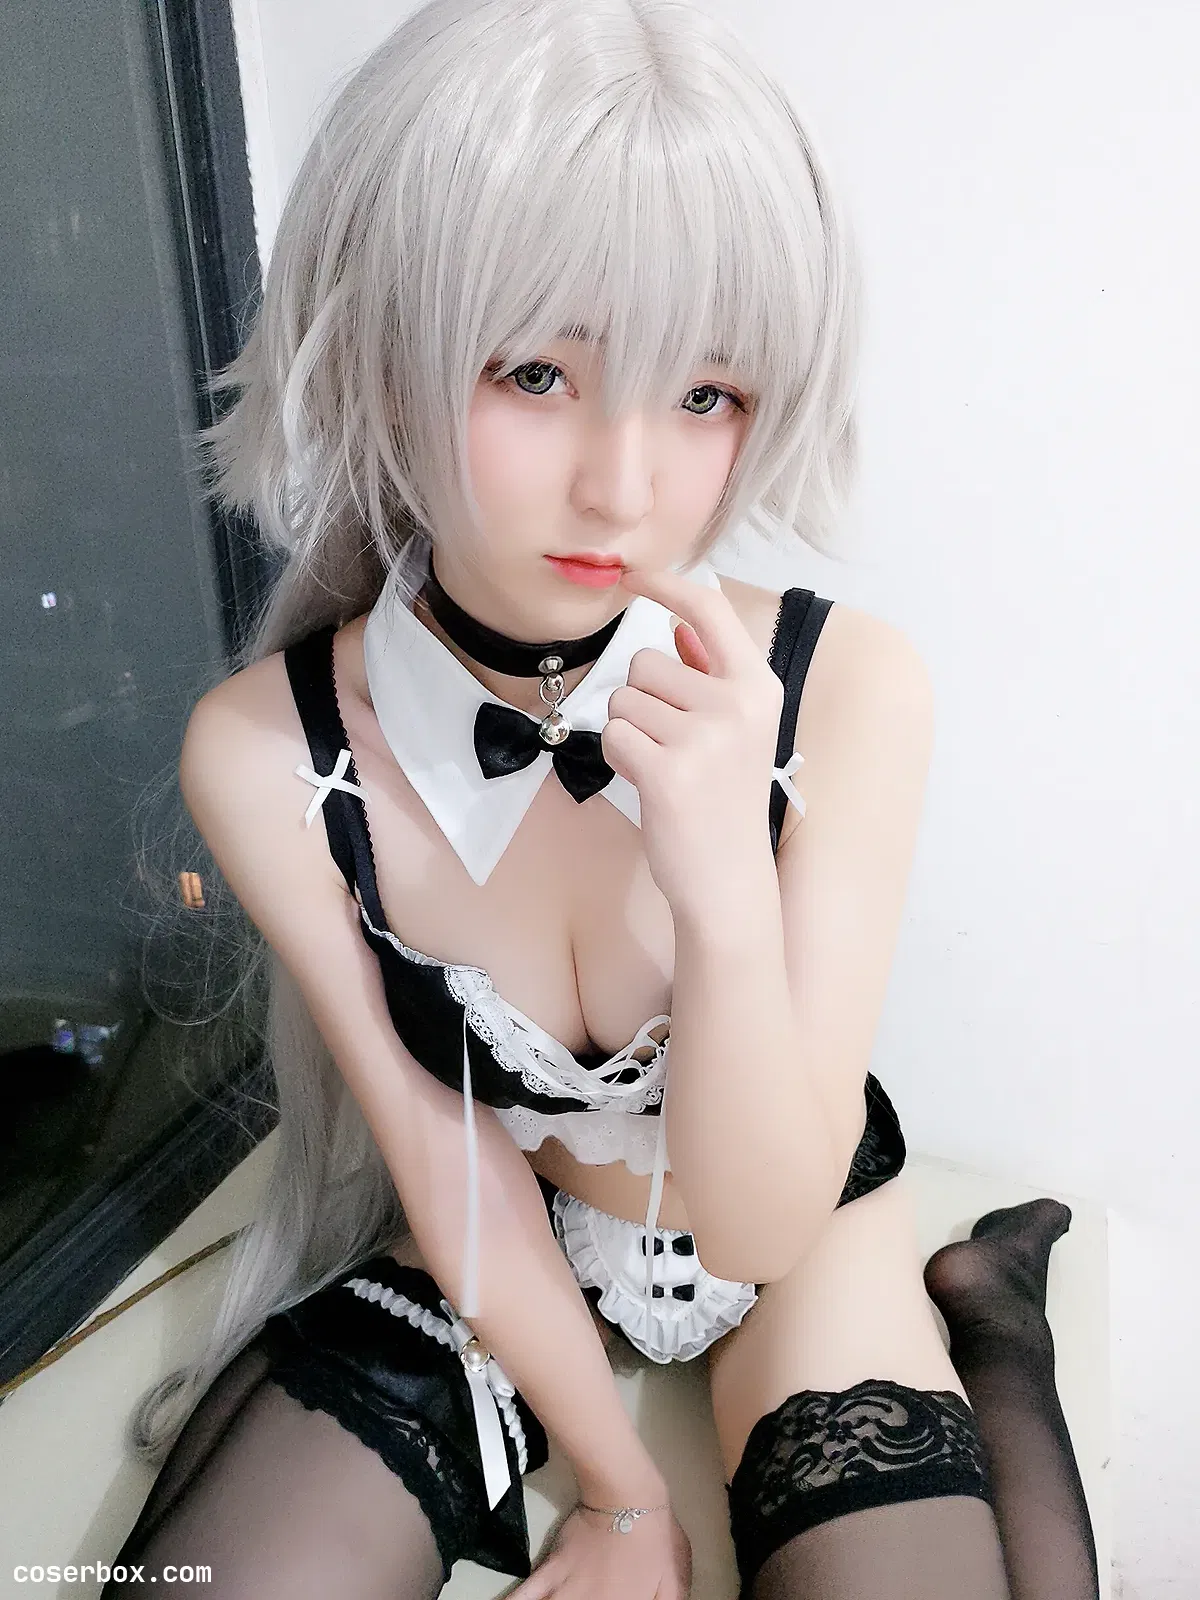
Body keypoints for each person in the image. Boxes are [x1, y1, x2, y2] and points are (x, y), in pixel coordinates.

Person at [104, 1, 1100, 1595]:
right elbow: (444, 1148)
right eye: (537, 372)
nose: (623, 487)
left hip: (802, 1229)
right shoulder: (269, 749)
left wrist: (720, 887)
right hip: (525, 1235)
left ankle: (990, 1315)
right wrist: (625, 1497)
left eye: (704, 395)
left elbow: (760, 1223)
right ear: (377, 347)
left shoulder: (845, 687)